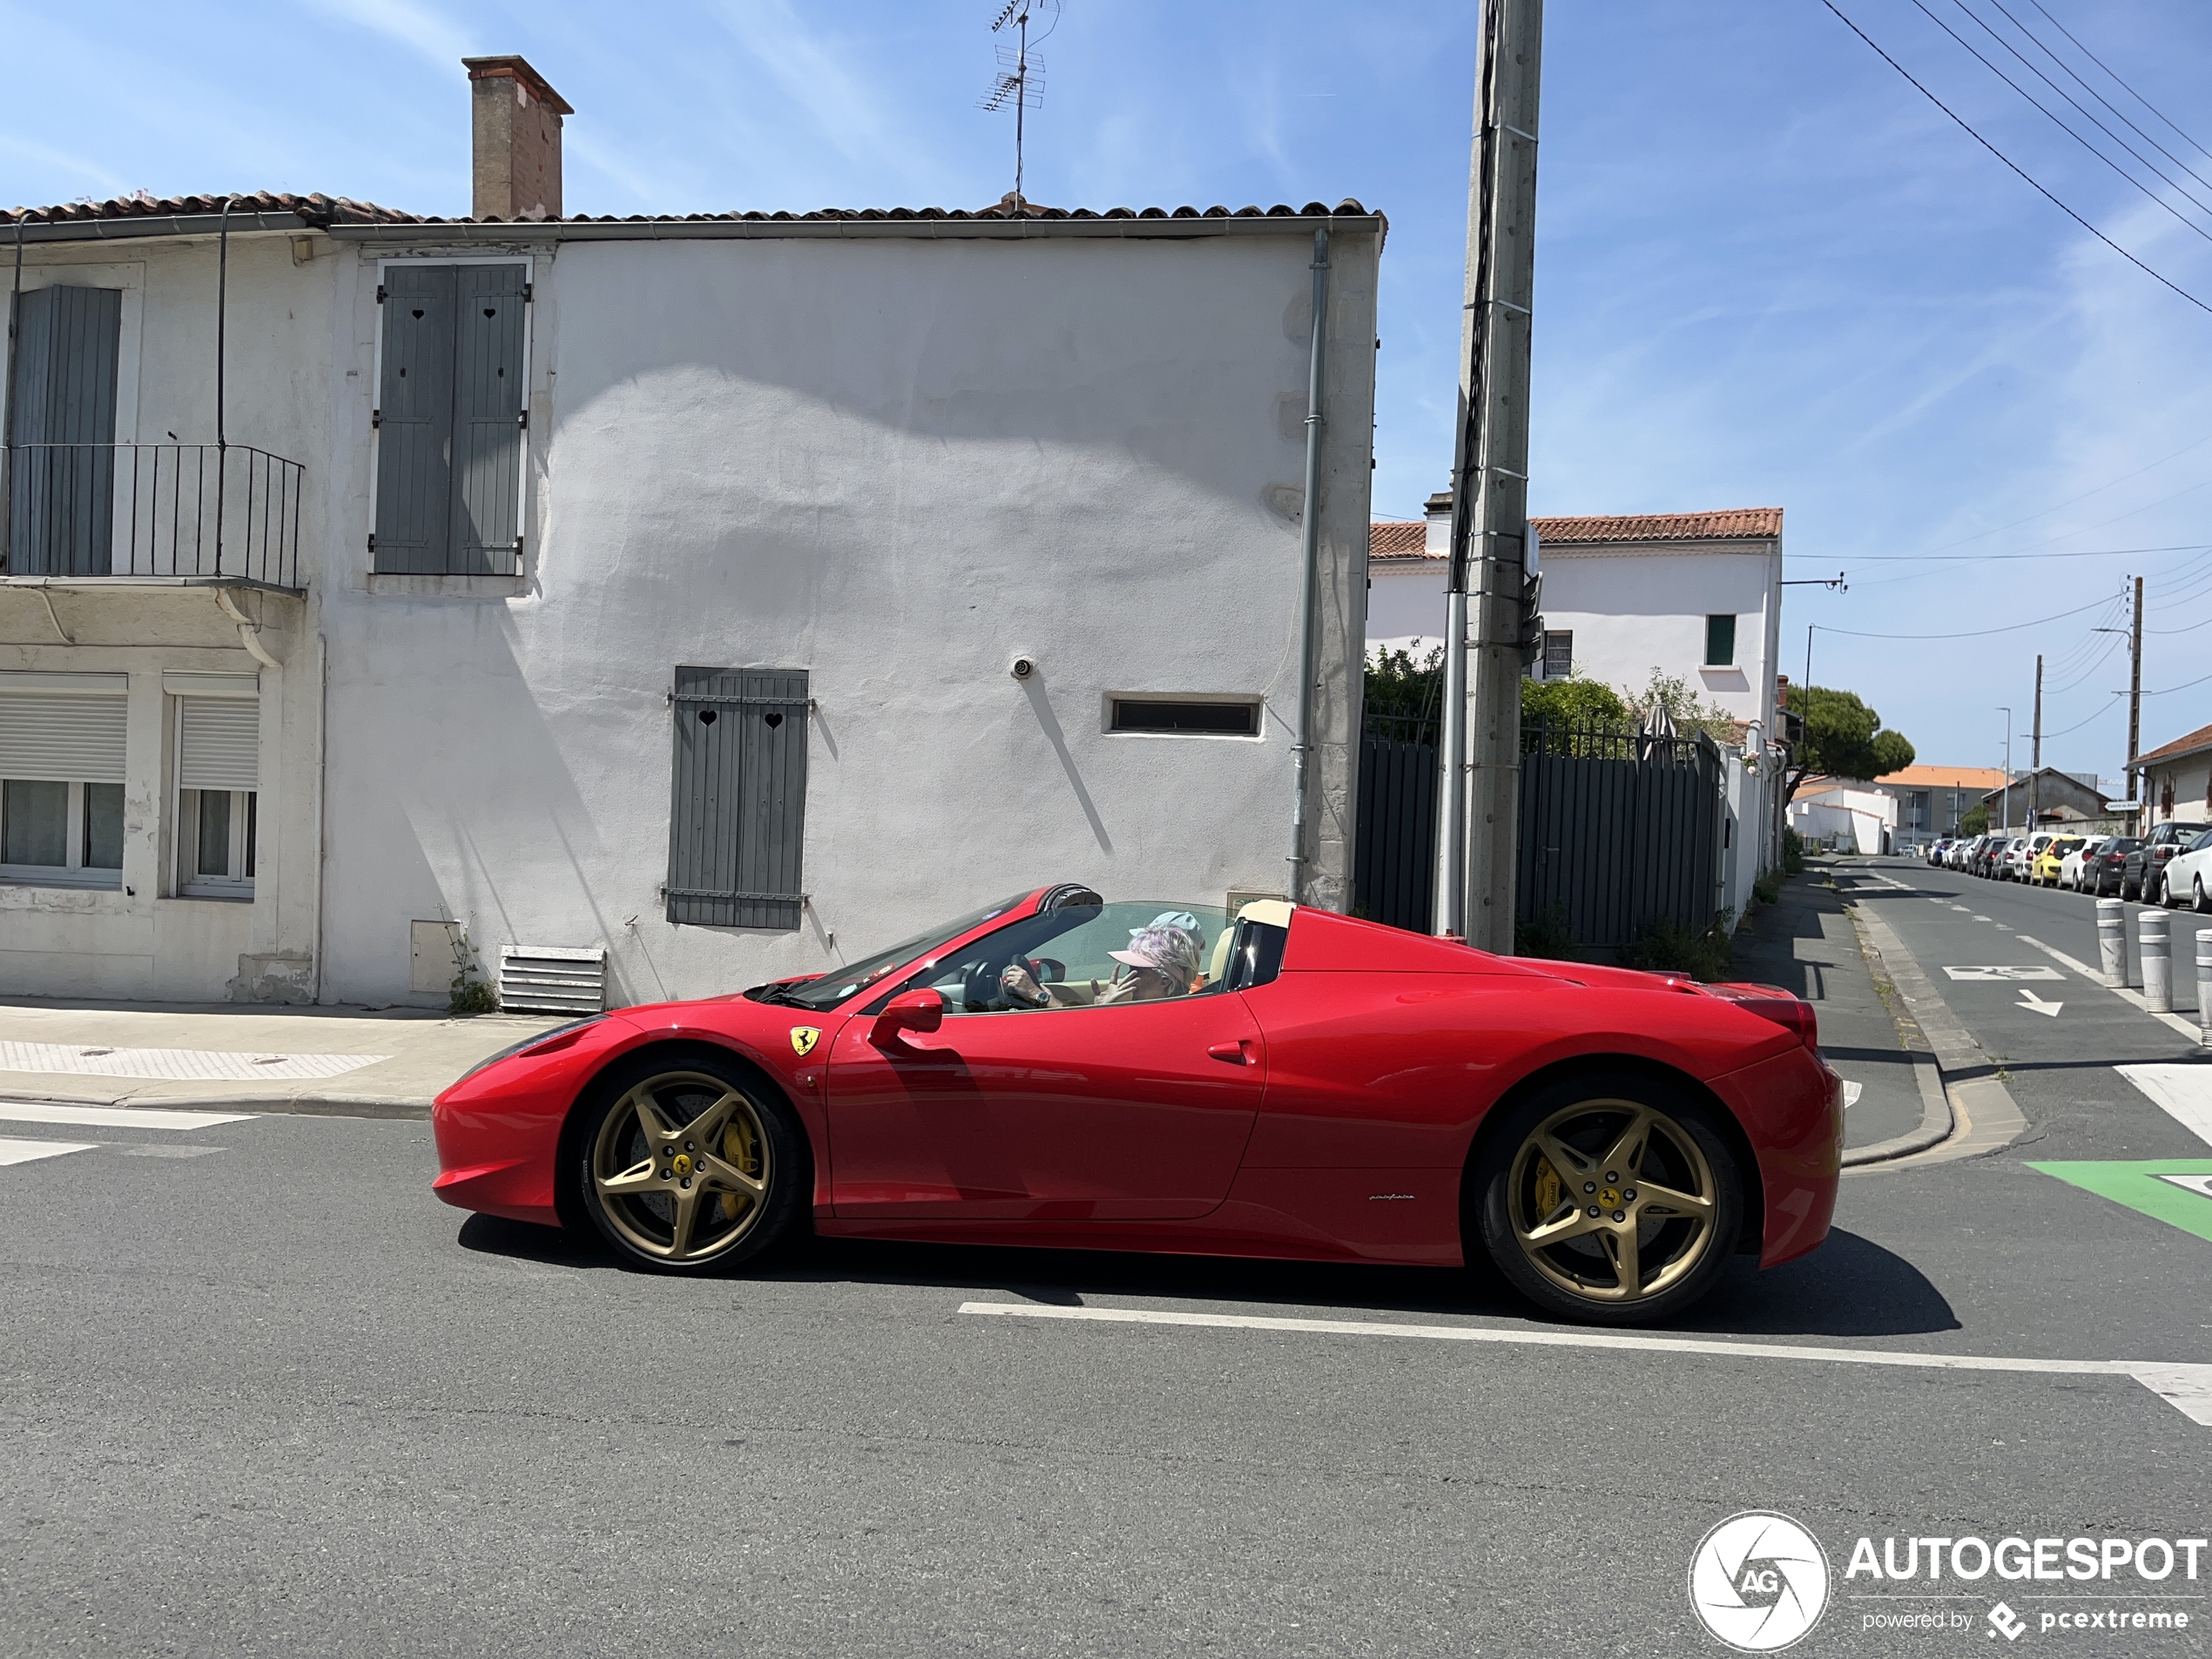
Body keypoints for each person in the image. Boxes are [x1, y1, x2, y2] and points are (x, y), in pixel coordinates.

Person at [999, 921, 1204, 1008]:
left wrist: (1038, 994)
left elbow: (1081, 1038)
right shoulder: (1158, 1008)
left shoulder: (1163, 1017)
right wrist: (1099, 1009)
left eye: (1136, 970)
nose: (1128, 977)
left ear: (1165, 981)